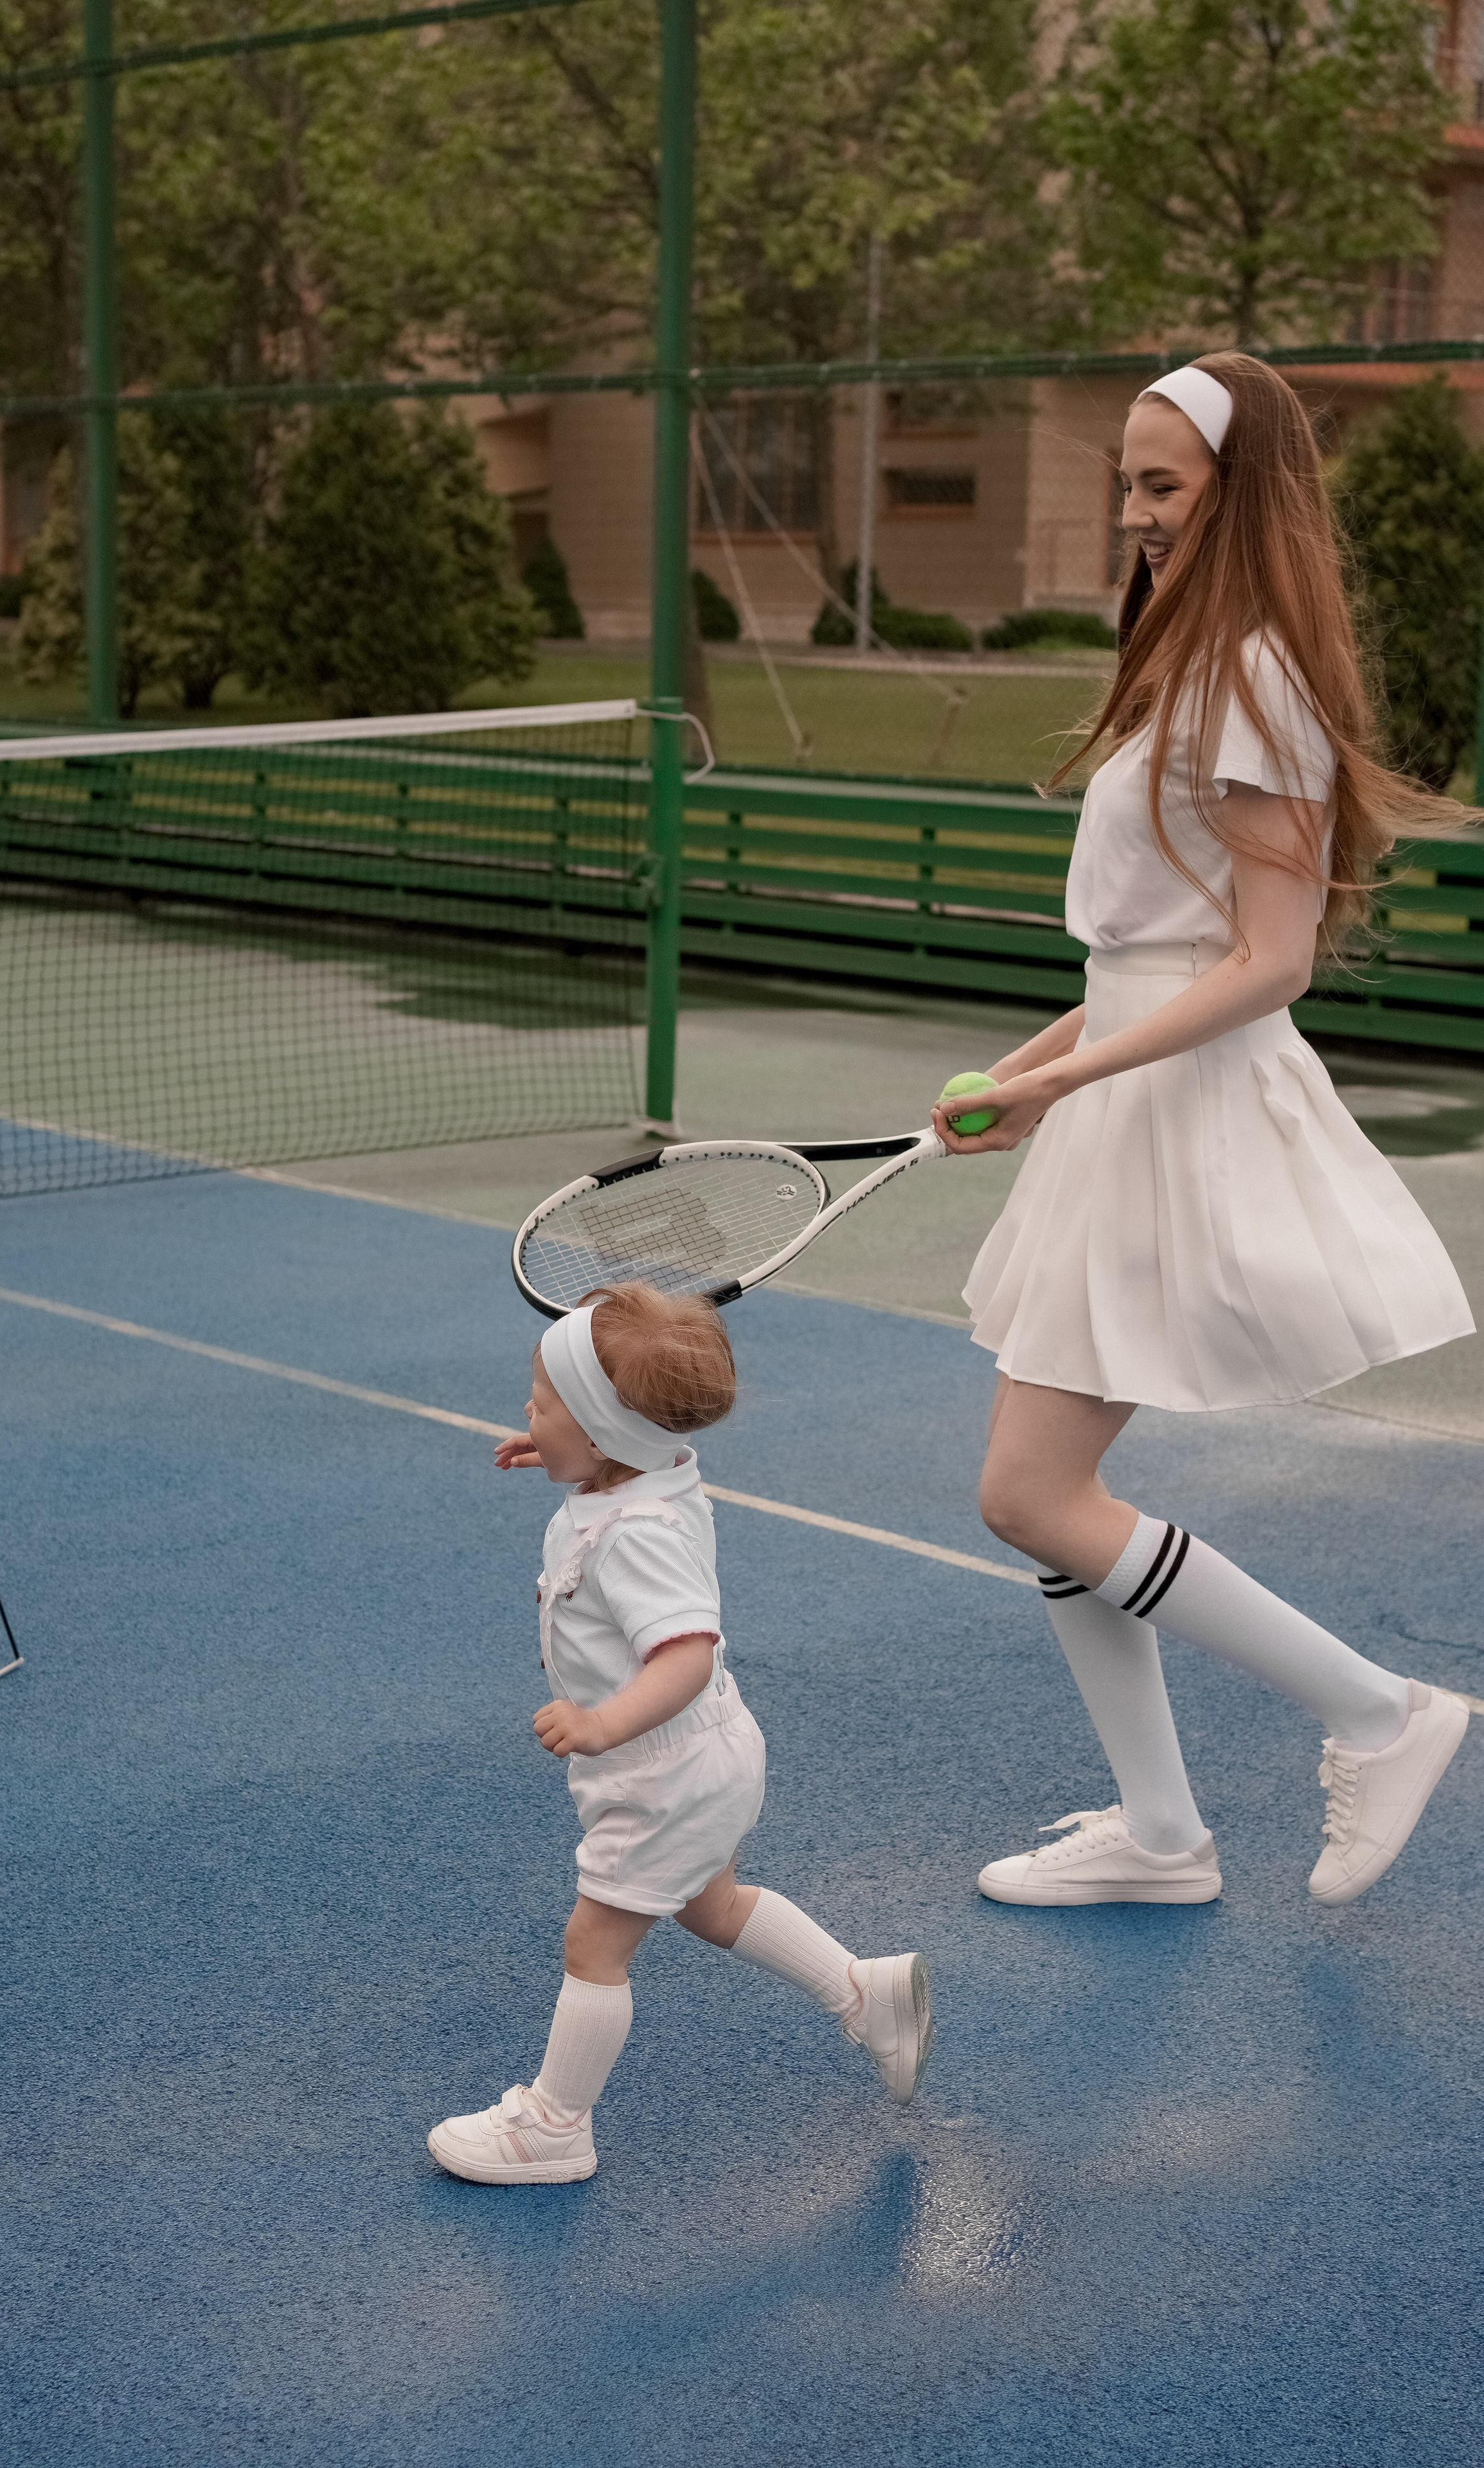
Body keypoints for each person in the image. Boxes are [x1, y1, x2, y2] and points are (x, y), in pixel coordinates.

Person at [933, 353, 1472, 1911]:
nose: (1134, 510)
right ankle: (1161, 1836)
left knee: (1032, 1492)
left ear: (1239, 493)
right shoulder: (1190, 664)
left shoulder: (1248, 675)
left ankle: (1377, 1713)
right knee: (1034, 1487)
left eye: (1160, 483)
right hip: (1125, 1094)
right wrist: (1022, 1067)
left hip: (1178, 1114)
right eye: (1128, 480)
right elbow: (1138, 952)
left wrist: (1061, 1082)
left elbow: (1267, 958)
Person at [427, 1282, 933, 2185]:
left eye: (542, 1406)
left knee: (596, 1944)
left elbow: (687, 1654)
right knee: (710, 1904)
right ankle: (865, 1995)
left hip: (666, 1765)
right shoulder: (639, 1473)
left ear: (599, 1437)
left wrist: (600, 1721)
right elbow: (618, 1462)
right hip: (702, 1756)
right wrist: (556, 1449)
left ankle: (554, 2127)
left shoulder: (639, 1536)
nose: (527, 1412)